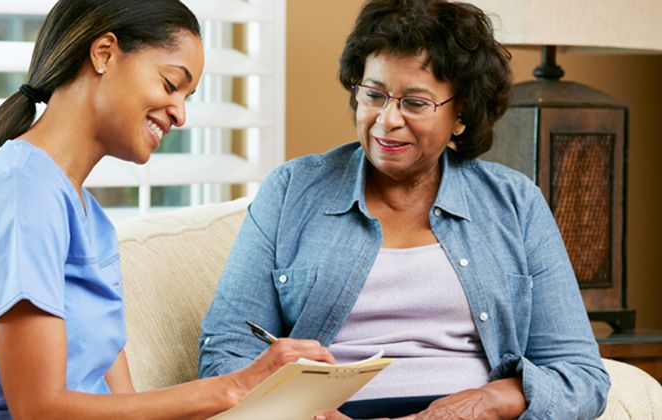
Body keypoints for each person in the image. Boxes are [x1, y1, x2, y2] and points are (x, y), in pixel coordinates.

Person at [0, 1, 334, 418]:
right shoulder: (19, 192)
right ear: (104, 53)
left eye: (189, 95)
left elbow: (123, 405)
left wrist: (265, 400)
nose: (180, 114)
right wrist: (234, 386)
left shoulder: (92, 222)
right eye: (170, 84)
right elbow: (39, 409)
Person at [198, 0, 610, 418]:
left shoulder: (515, 203)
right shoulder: (291, 191)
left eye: (415, 103)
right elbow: (226, 349)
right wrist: (299, 412)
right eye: (374, 95)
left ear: (462, 111)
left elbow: (580, 375)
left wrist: (489, 401)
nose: (387, 120)